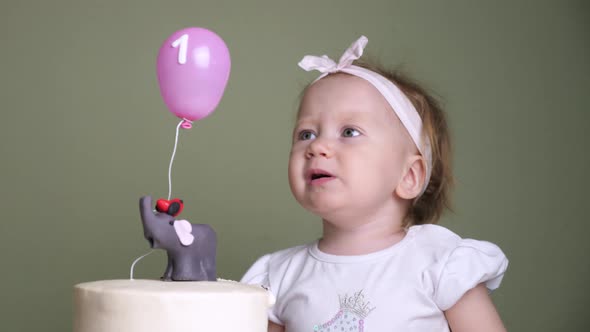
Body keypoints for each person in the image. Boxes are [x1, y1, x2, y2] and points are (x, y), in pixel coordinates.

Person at [241, 36, 508, 332]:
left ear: (409, 176)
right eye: (306, 134)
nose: (318, 147)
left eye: (349, 132)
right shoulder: (279, 276)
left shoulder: (440, 265)